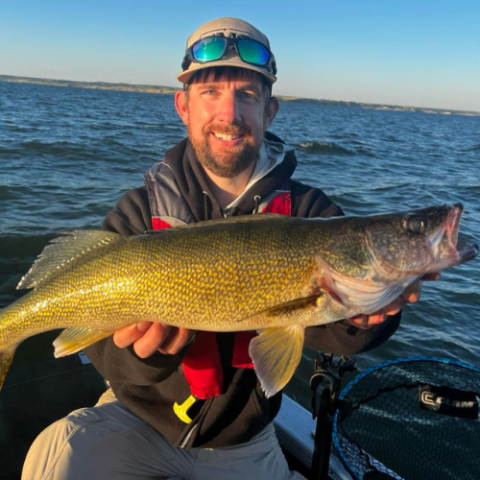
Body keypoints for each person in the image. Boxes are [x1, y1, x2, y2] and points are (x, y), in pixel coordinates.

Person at [22, 17, 436, 480]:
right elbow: (105, 357)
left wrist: (362, 322)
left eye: (248, 95)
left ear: (270, 111)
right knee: (56, 458)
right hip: (134, 419)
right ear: (183, 105)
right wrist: (146, 355)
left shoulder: (313, 213)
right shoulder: (138, 211)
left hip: (245, 439)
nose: (230, 113)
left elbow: (322, 331)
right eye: (211, 93)